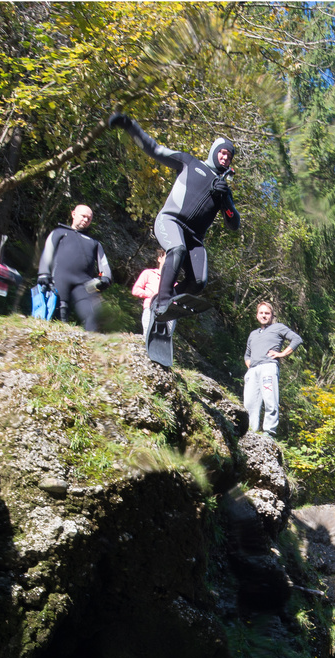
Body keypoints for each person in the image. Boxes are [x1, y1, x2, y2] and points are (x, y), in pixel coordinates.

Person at [107, 113, 239, 339]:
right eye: (223, 153)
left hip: (195, 238)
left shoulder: (223, 189)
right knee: (176, 250)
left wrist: (225, 198)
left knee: (198, 281)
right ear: (214, 152)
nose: (225, 158)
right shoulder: (190, 163)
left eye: (229, 156)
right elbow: (155, 150)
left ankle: (162, 301)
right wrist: (130, 125)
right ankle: (163, 301)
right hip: (171, 221)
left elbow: (234, 224)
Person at [37, 204, 112, 331]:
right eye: (83, 216)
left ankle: (91, 344)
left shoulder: (94, 242)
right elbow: (47, 253)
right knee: (59, 314)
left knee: (92, 313)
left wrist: (106, 277)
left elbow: (103, 263)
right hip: (60, 279)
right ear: (73, 214)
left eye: (89, 219)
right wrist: (43, 273)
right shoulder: (59, 233)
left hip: (84, 283)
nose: (86, 220)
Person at [242, 301, 301, 437]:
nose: (264, 316)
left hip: (268, 367)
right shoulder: (253, 334)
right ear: (257, 315)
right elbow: (247, 354)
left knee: (270, 399)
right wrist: (250, 366)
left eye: (267, 313)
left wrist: (281, 354)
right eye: (261, 313)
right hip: (253, 370)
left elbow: (296, 339)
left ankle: (269, 431)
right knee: (249, 403)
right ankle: (251, 431)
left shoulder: (278, 327)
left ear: (272, 315)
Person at [130, 250, 166, 340]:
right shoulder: (149, 273)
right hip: (150, 309)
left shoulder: (173, 281)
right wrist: (151, 295)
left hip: (166, 314)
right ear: (159, 259)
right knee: (147, 336)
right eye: (166, 257)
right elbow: (135, 290)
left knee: (161, 339)